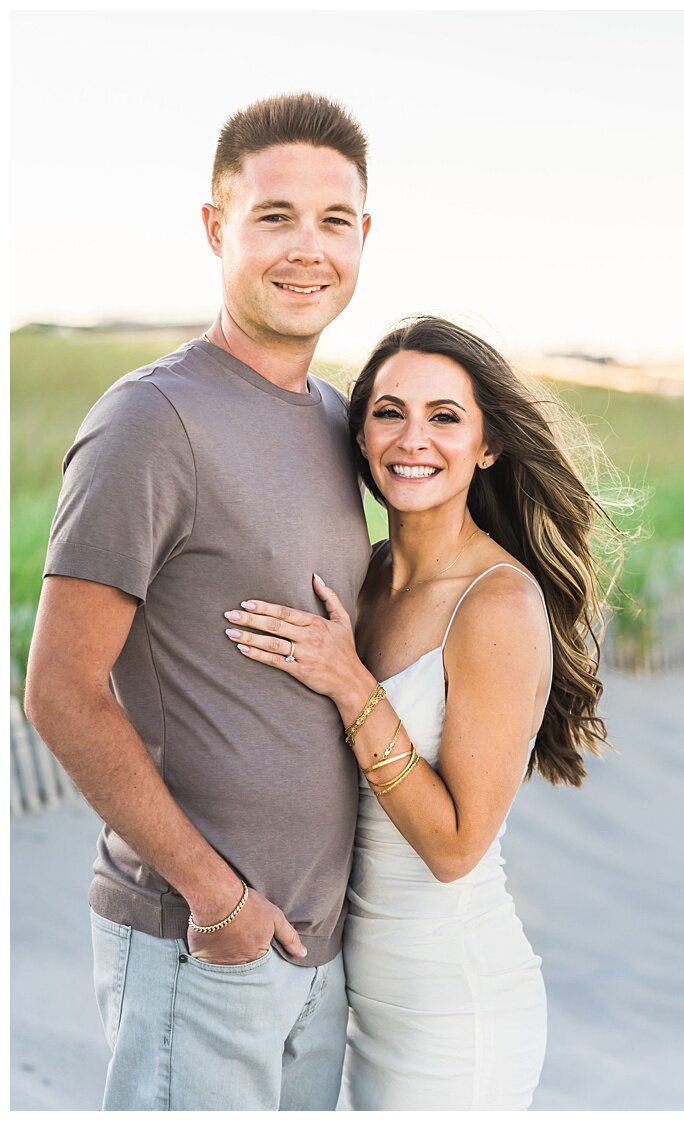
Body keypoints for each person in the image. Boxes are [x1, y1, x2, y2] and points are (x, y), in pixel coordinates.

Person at [25, 93, 374, 1109]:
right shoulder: (151, 418)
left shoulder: (337, 421)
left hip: (312, 947)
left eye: (333, 220)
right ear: (217, 227)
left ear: (364, 236)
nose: (307, 249)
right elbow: (60, 688)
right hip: (201, 940)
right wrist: (216, 896)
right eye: (274, 216)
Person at [222, 316, 616, 1109]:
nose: (414, 438)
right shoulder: (362, 578)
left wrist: (351, 684)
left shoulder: (498, 603)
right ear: (360, 433)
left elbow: (455, 846)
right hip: (359, 995)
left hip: (454, 1007)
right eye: (390, 411)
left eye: (445, 416)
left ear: (487, 445)